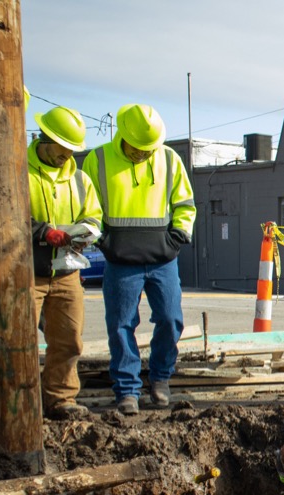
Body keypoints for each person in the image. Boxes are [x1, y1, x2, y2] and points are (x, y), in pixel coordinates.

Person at [82, 104, 195, 416]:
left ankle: (160, 379)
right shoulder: (99, 160)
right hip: (120, 260)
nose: (144, 155)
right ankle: (127, 390)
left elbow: (185, 204)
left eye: (149, 150)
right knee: (120, 325)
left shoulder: (169, 159)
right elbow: (89, 207)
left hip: (162, 259)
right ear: (123, 137)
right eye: (138, 149)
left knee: (171, 320)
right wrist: (103, 241)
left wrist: (177, 238)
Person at [27, 107, 103, 419]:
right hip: (26, 270)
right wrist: (44, 231)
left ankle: (60, 399)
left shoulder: (80, 178)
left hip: (66, 270)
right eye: (64, 148)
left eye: (72, 149)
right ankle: (23, 404)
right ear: (46, 139)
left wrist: (86, 233)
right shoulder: (18, 171)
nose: (68, 154)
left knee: (68, 339)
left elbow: (93, 214)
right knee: (20, 341)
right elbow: (5, 213)